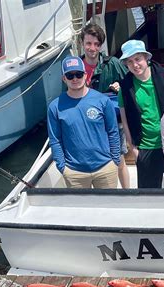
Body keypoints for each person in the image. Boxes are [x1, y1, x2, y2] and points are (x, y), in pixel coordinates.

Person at [47, 56, 120, 189]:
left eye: (78, 74)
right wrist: (62, 167)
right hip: (74, 172)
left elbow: (113, 131)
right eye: (70, 76)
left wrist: (114, 160)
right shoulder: (55, 107)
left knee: (108, 208)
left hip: (106, 168)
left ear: (85, 75)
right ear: (64, 79)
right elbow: (55, 140)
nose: (75, 79)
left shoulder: (102, 100)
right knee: (80, 210)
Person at [118, 40, 164, 188]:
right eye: (130, 61)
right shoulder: (125, 87)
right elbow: (125, 121)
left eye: (138, 59)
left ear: (146, 58)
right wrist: (133, 149)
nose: (135, 65)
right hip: (145, 147)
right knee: (149, 199)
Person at [80, 23, 130, 188]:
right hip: (87, 123)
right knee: (95, 161)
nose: (92, 48)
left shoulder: (112, 63)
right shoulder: (76, 67)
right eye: (88, 43)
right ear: (82, 43)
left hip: (113, 122)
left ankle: (127, 192)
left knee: (119, 158)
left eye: (96, 44)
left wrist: (119, 85)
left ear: (100, 46)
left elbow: (130, 83)